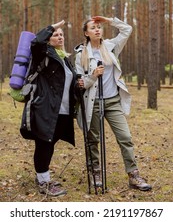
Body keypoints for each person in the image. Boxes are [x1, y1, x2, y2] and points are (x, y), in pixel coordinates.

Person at [75, 15, 152, 191]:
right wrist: (93, 76)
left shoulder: (110, 46)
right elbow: (81, 83)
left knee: (125, 137)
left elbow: (127, 29)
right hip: (92, 102)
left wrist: (109, 20)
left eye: (99, 27)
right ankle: (95, 173)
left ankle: (133, 175)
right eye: (93, 27)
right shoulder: (81, 54)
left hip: (112, 101)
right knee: (92, 140)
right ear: (86, 33)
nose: (97, 29)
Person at [20, 20, 78, 197]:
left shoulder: (65, 58)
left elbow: (67, 84)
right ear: (48, 38)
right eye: (55, 34)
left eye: (61, 34)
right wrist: (51, 27)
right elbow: (36, 42)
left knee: (50, 143)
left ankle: (42, 176)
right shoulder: (42, 53)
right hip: (45, 107)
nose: (59, 36)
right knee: (44, 143)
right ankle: (44, 181)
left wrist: (79, 83)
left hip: (62, 110)